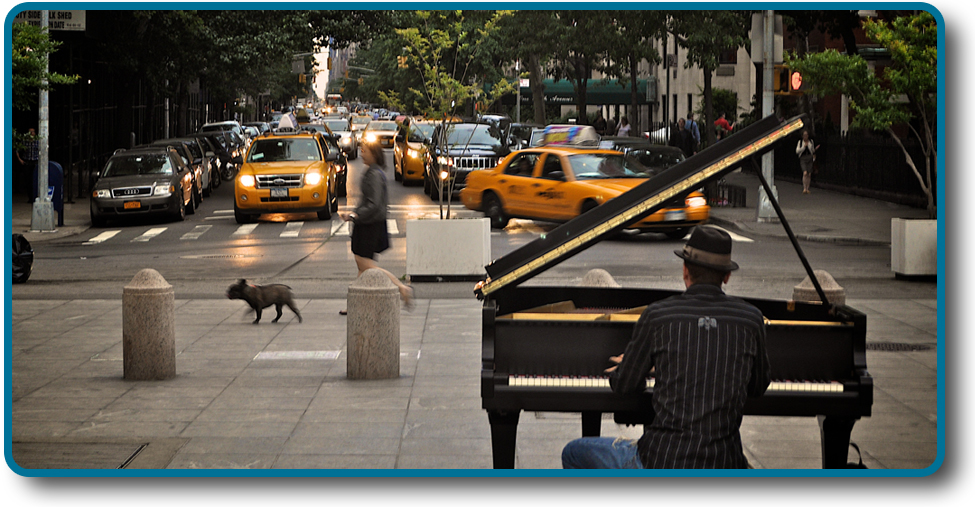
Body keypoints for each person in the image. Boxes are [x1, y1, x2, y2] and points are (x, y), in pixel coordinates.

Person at [562, 225, 771, 469]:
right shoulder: (750, 319)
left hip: (661, 460)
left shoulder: (659, 315)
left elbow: (624, 385)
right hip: (725, 463)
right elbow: (758, 386)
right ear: (726, 276)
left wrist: (641, 365)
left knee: (573, 453)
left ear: (685, 271)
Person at [339, 143, 414, 313]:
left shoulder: (374, 174)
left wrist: (354, 215)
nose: (362, 154)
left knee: (365, 265)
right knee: (362, 268)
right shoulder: (373, 171)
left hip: (369, 225)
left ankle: (402, 288)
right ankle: (356, 304)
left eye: (365, 151)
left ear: (374, 154)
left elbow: (373, 204)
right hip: (368, 223)